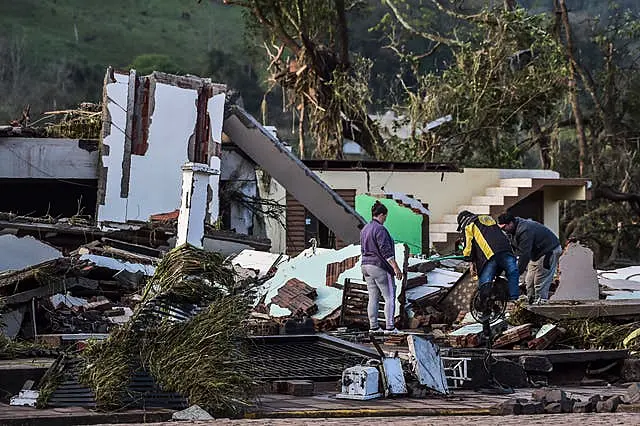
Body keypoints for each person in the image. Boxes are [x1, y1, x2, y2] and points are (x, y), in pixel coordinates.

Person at [497, 213, 562, 304]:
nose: (503, 230)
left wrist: (516, 273)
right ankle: (531, 303)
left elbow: (524, 255)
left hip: (549, 251)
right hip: (536, 253)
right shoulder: (510, 231)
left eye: (504, 227)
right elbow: (511, 249)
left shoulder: (525, 230)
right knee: (529, 282)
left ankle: (541, 304)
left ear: (511, 223)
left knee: (539, 282)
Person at [457, 210, 520, 302]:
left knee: (486, 282)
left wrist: (468, 258)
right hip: (506, 250)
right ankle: (514, 299)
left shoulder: (469, 223)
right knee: (512, 273)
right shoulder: (488, 218)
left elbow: (468, 245)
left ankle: (484, 307)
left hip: (490, 254)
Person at [360, 201, 403, 334]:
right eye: (385, 216)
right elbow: (385, 251)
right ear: (382, 215)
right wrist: (395, 268)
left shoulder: (365, 229)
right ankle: (390, 327)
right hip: (379, 266)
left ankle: (374, 327)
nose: (385, 219)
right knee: (389, 296)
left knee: (373, 296)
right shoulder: (380, 229)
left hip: (365, 265)